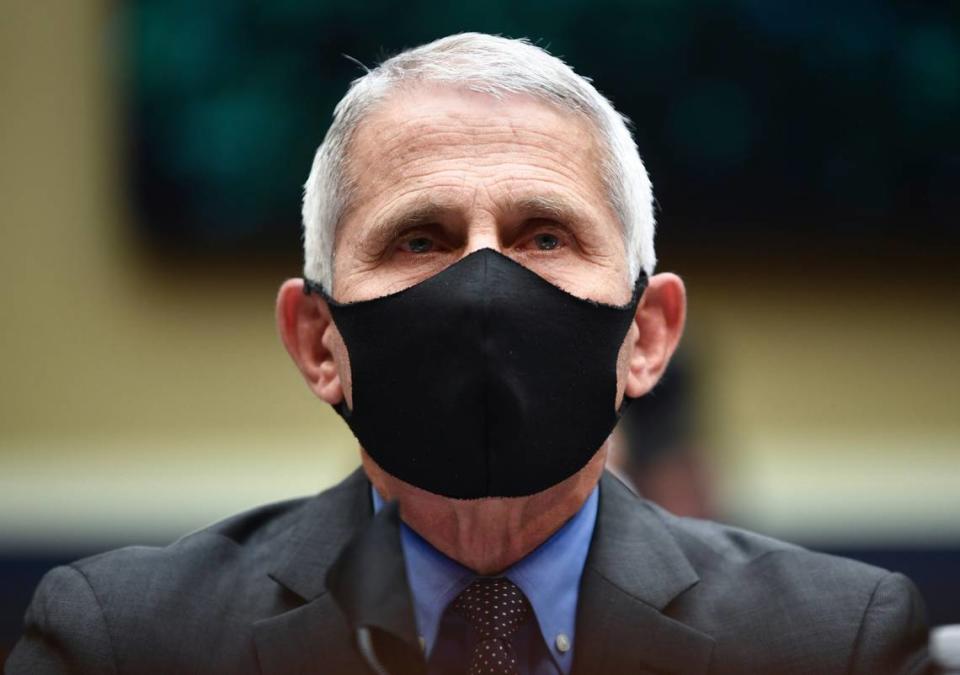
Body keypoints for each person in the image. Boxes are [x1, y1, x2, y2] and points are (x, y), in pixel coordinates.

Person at [7, 33, 930, 675]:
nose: (484, 287)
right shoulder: (124, 642)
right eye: (420, 239)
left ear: (645, 335)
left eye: (543, 236)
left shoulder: (835, 642)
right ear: (319, 342)